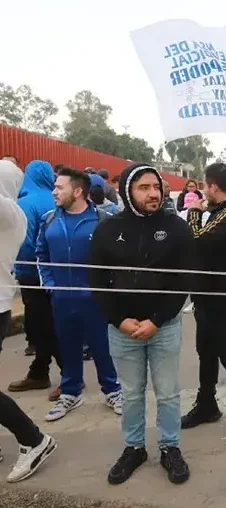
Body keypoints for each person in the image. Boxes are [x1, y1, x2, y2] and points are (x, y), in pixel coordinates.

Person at [89, 163, 194, 486]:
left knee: (167, 393)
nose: (153, 193)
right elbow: (97, 280)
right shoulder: (107, 229)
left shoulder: (176, 228)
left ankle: (169, 447)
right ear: (127, 192)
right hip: (123, 330)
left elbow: (183, 281)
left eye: (156, 187)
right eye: (144, 188)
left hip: (163, 327)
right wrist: (118, 320)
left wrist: (156, 320)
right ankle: (134, 448)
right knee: (132, 394)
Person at [36, 167, 123, 422]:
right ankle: (70, 393)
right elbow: (41, 255)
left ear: (77, 191)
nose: (54, 191)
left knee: (102, 347)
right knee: (68, 346)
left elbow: (116, 260)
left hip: (96, 301)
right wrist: (50, 284)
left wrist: (108, 289)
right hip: (62, 300)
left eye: (59, 187)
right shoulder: (49, 219)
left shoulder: (103, 219)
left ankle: (112, 390)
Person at [180, 163, 226, 441]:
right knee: (206, 353)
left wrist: (194, 213)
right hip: (205, 296)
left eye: (204, 186)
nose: (202, 192)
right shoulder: (220, 213)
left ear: (213, 187)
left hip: (225, 298)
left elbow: (196, 240)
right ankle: (207, 405)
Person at [0, 159, 59, 483]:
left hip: (27, 282)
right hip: (28, 281)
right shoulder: (28, 205)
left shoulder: (13, 211)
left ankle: (33, 440)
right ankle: (45, 372)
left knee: (47, 332)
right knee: (45, 332)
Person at [8, 160, 62, 399]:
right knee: (51, 323)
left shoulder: (24, 203)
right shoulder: (56, 198)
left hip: (32, 273)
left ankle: (69, 375)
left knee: (43, 325)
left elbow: (25, 244)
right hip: (57, 273)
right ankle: (39, 371)